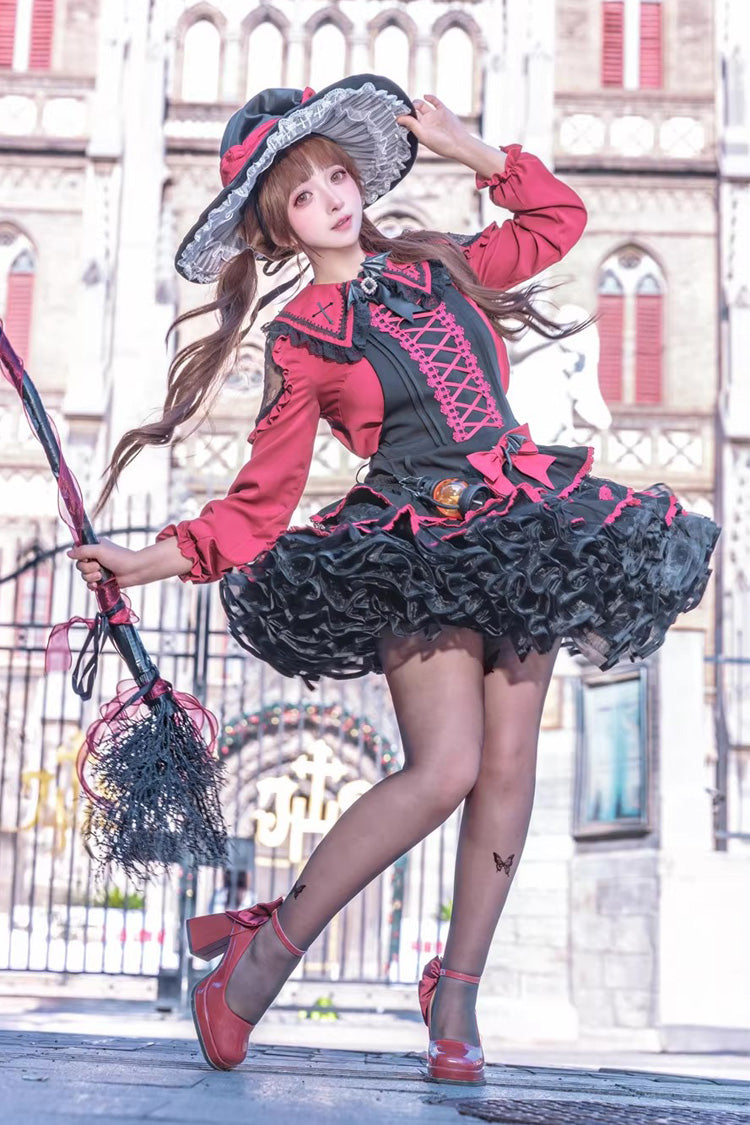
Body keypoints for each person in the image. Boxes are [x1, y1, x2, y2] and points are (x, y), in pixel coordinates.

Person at [69, 75, 719, 1079]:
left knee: (509, 764)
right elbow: (260, 502)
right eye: (301, 193)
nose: (331, 197)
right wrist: (145, 560)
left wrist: (473, 151)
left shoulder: (438, 264)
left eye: (336, 174)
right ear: (280, 229)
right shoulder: (302, 339)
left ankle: (455, 998)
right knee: (446, 767)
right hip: (413, 542)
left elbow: (557, 220)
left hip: (526, 526)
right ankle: (259, 959)